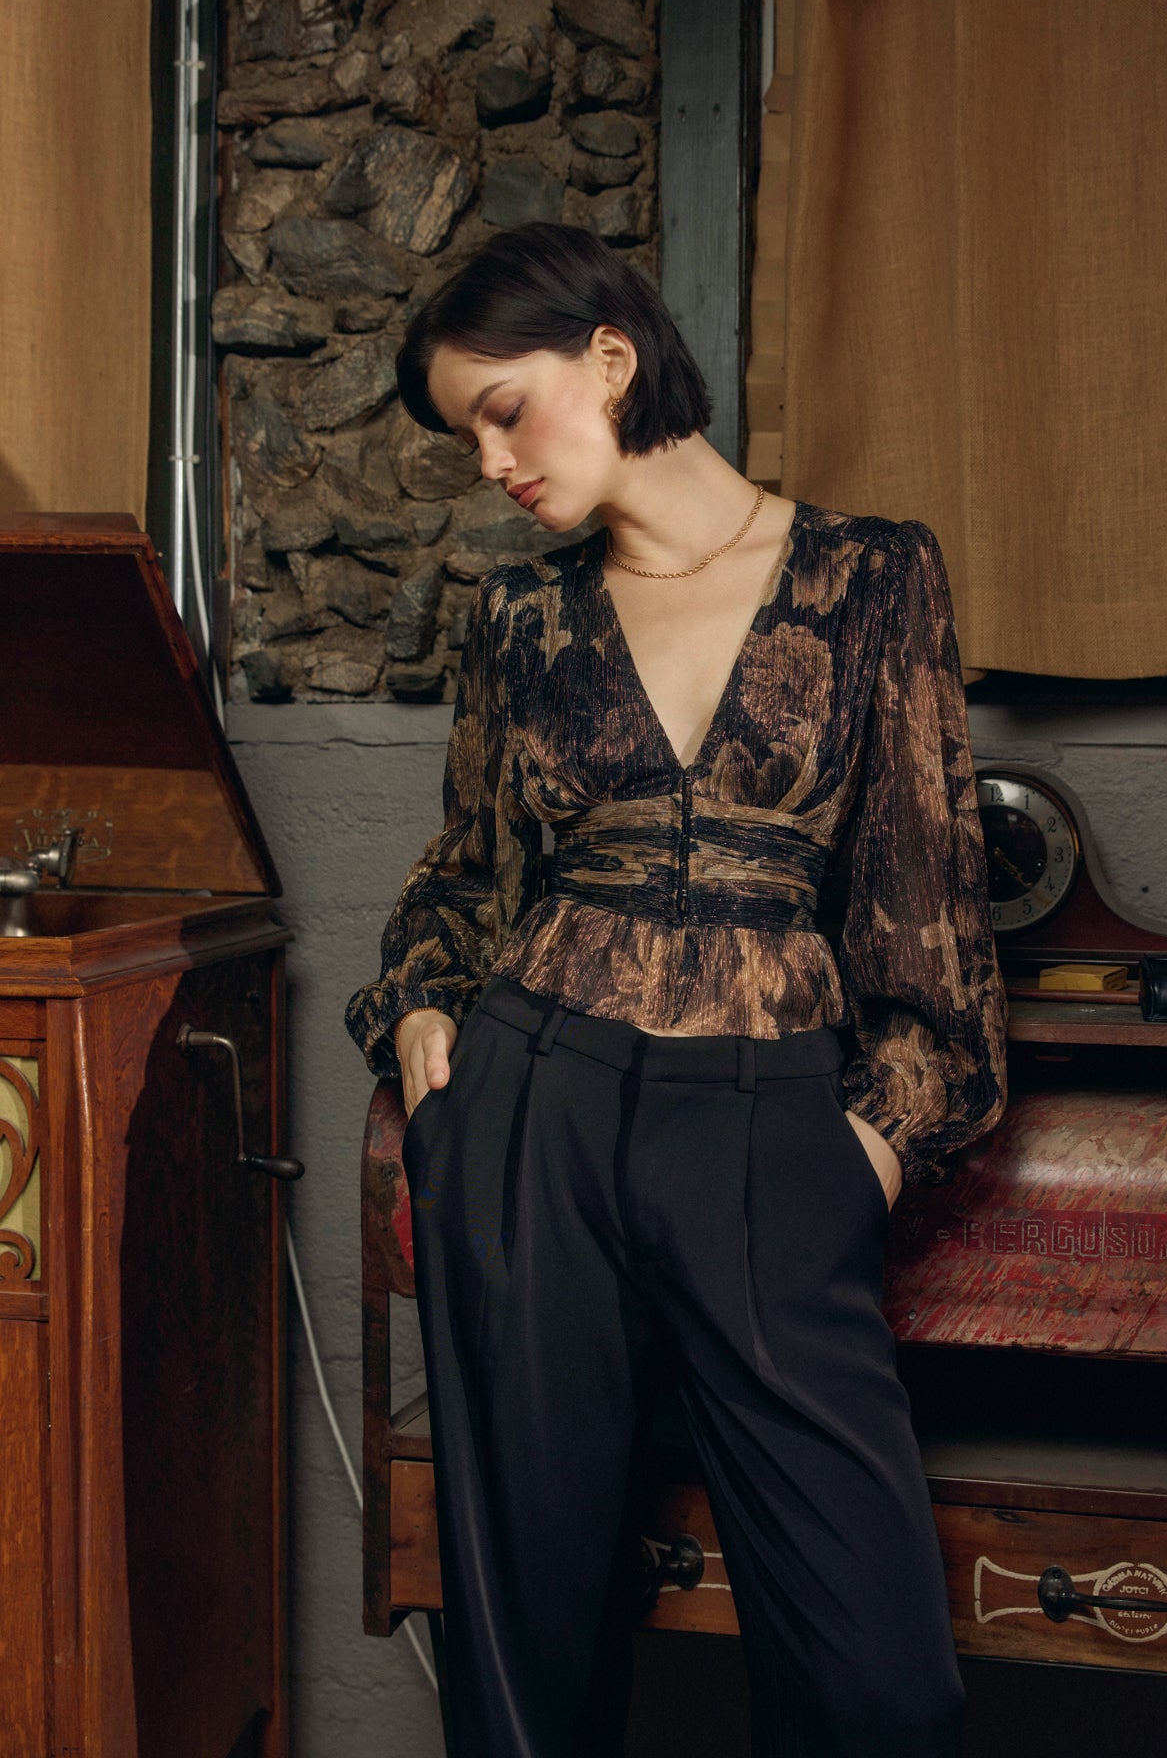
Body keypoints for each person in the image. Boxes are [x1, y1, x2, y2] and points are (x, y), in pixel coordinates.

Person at [346, 221, 1006, 1757]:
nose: (490, 463)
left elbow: (926, 905)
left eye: (502, 411)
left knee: (874, 1677)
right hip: (529, 1110)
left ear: (609, 357)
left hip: (769, 1125)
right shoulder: (519, 618)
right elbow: (465, 878)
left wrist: (866, 1146)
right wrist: (425, 1006)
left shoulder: (871, 576)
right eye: (464, 438)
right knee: (525, 1644)